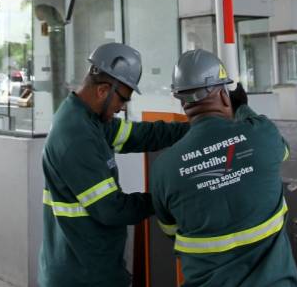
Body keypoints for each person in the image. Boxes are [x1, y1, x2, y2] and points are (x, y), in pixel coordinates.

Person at [39, 43, 189, 287]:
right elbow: (111, 209)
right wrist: (164, 199)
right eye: (123, 99)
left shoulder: (89, 119)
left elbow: (141, 135)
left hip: (90, 265)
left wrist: (193, 129)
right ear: (103, 90)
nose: (122, 107)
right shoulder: (76, 136)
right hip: (82, 277)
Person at [148, 50, 297, 287]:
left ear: (182, 102)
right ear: (224, 96)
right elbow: (284, 151)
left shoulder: (163, 168)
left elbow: (171, 230)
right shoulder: (261, 135)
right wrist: (243, 108)